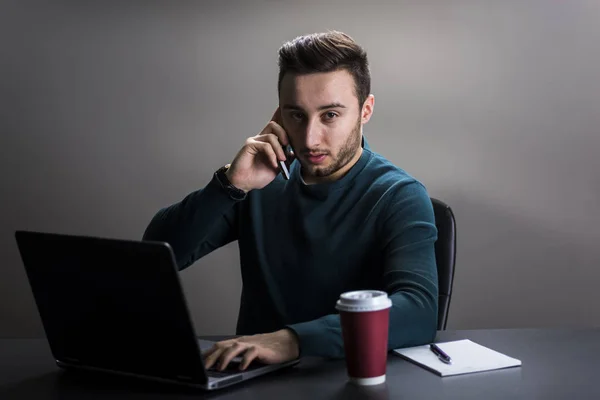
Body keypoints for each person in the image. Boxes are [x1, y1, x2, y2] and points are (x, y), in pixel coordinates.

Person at [142, 30, 438, 372]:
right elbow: (159, 253)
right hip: (250, 383)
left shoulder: (398, 195)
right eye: (296, 114)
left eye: (330, 115)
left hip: (343, 381)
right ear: (279, 114)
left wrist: (291, 340)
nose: (310, 138)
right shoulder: (258, 181)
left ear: (365, 110)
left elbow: (418, 311)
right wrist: (229, 185)